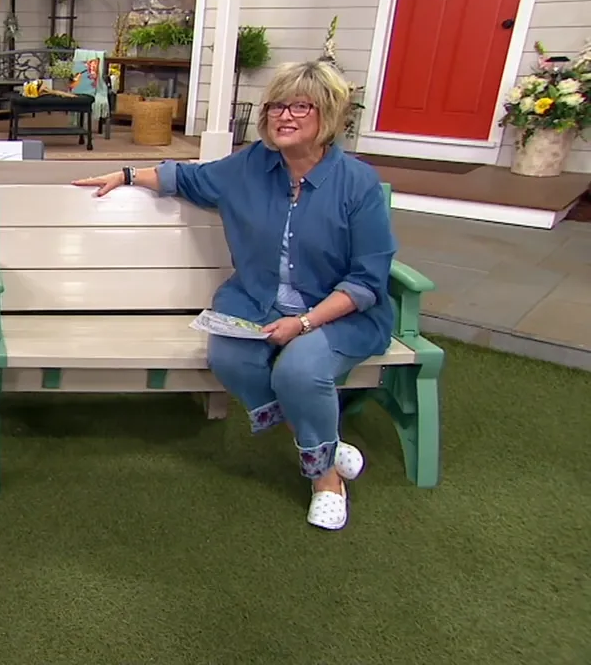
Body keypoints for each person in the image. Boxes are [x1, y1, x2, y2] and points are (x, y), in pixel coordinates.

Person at [72, 60, 396, 531]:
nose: (284, 117)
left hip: (338, 311)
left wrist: (304, 323)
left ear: (327, 115)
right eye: (276, 107)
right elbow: (188, 178)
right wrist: (126, 175)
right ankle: (320, 439)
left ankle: (326, 479)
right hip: (258, 300)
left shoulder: (357, 183)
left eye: (300, 107)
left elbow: (367, 279)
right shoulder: (251, 165)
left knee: (299, 370)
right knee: (229, 356)